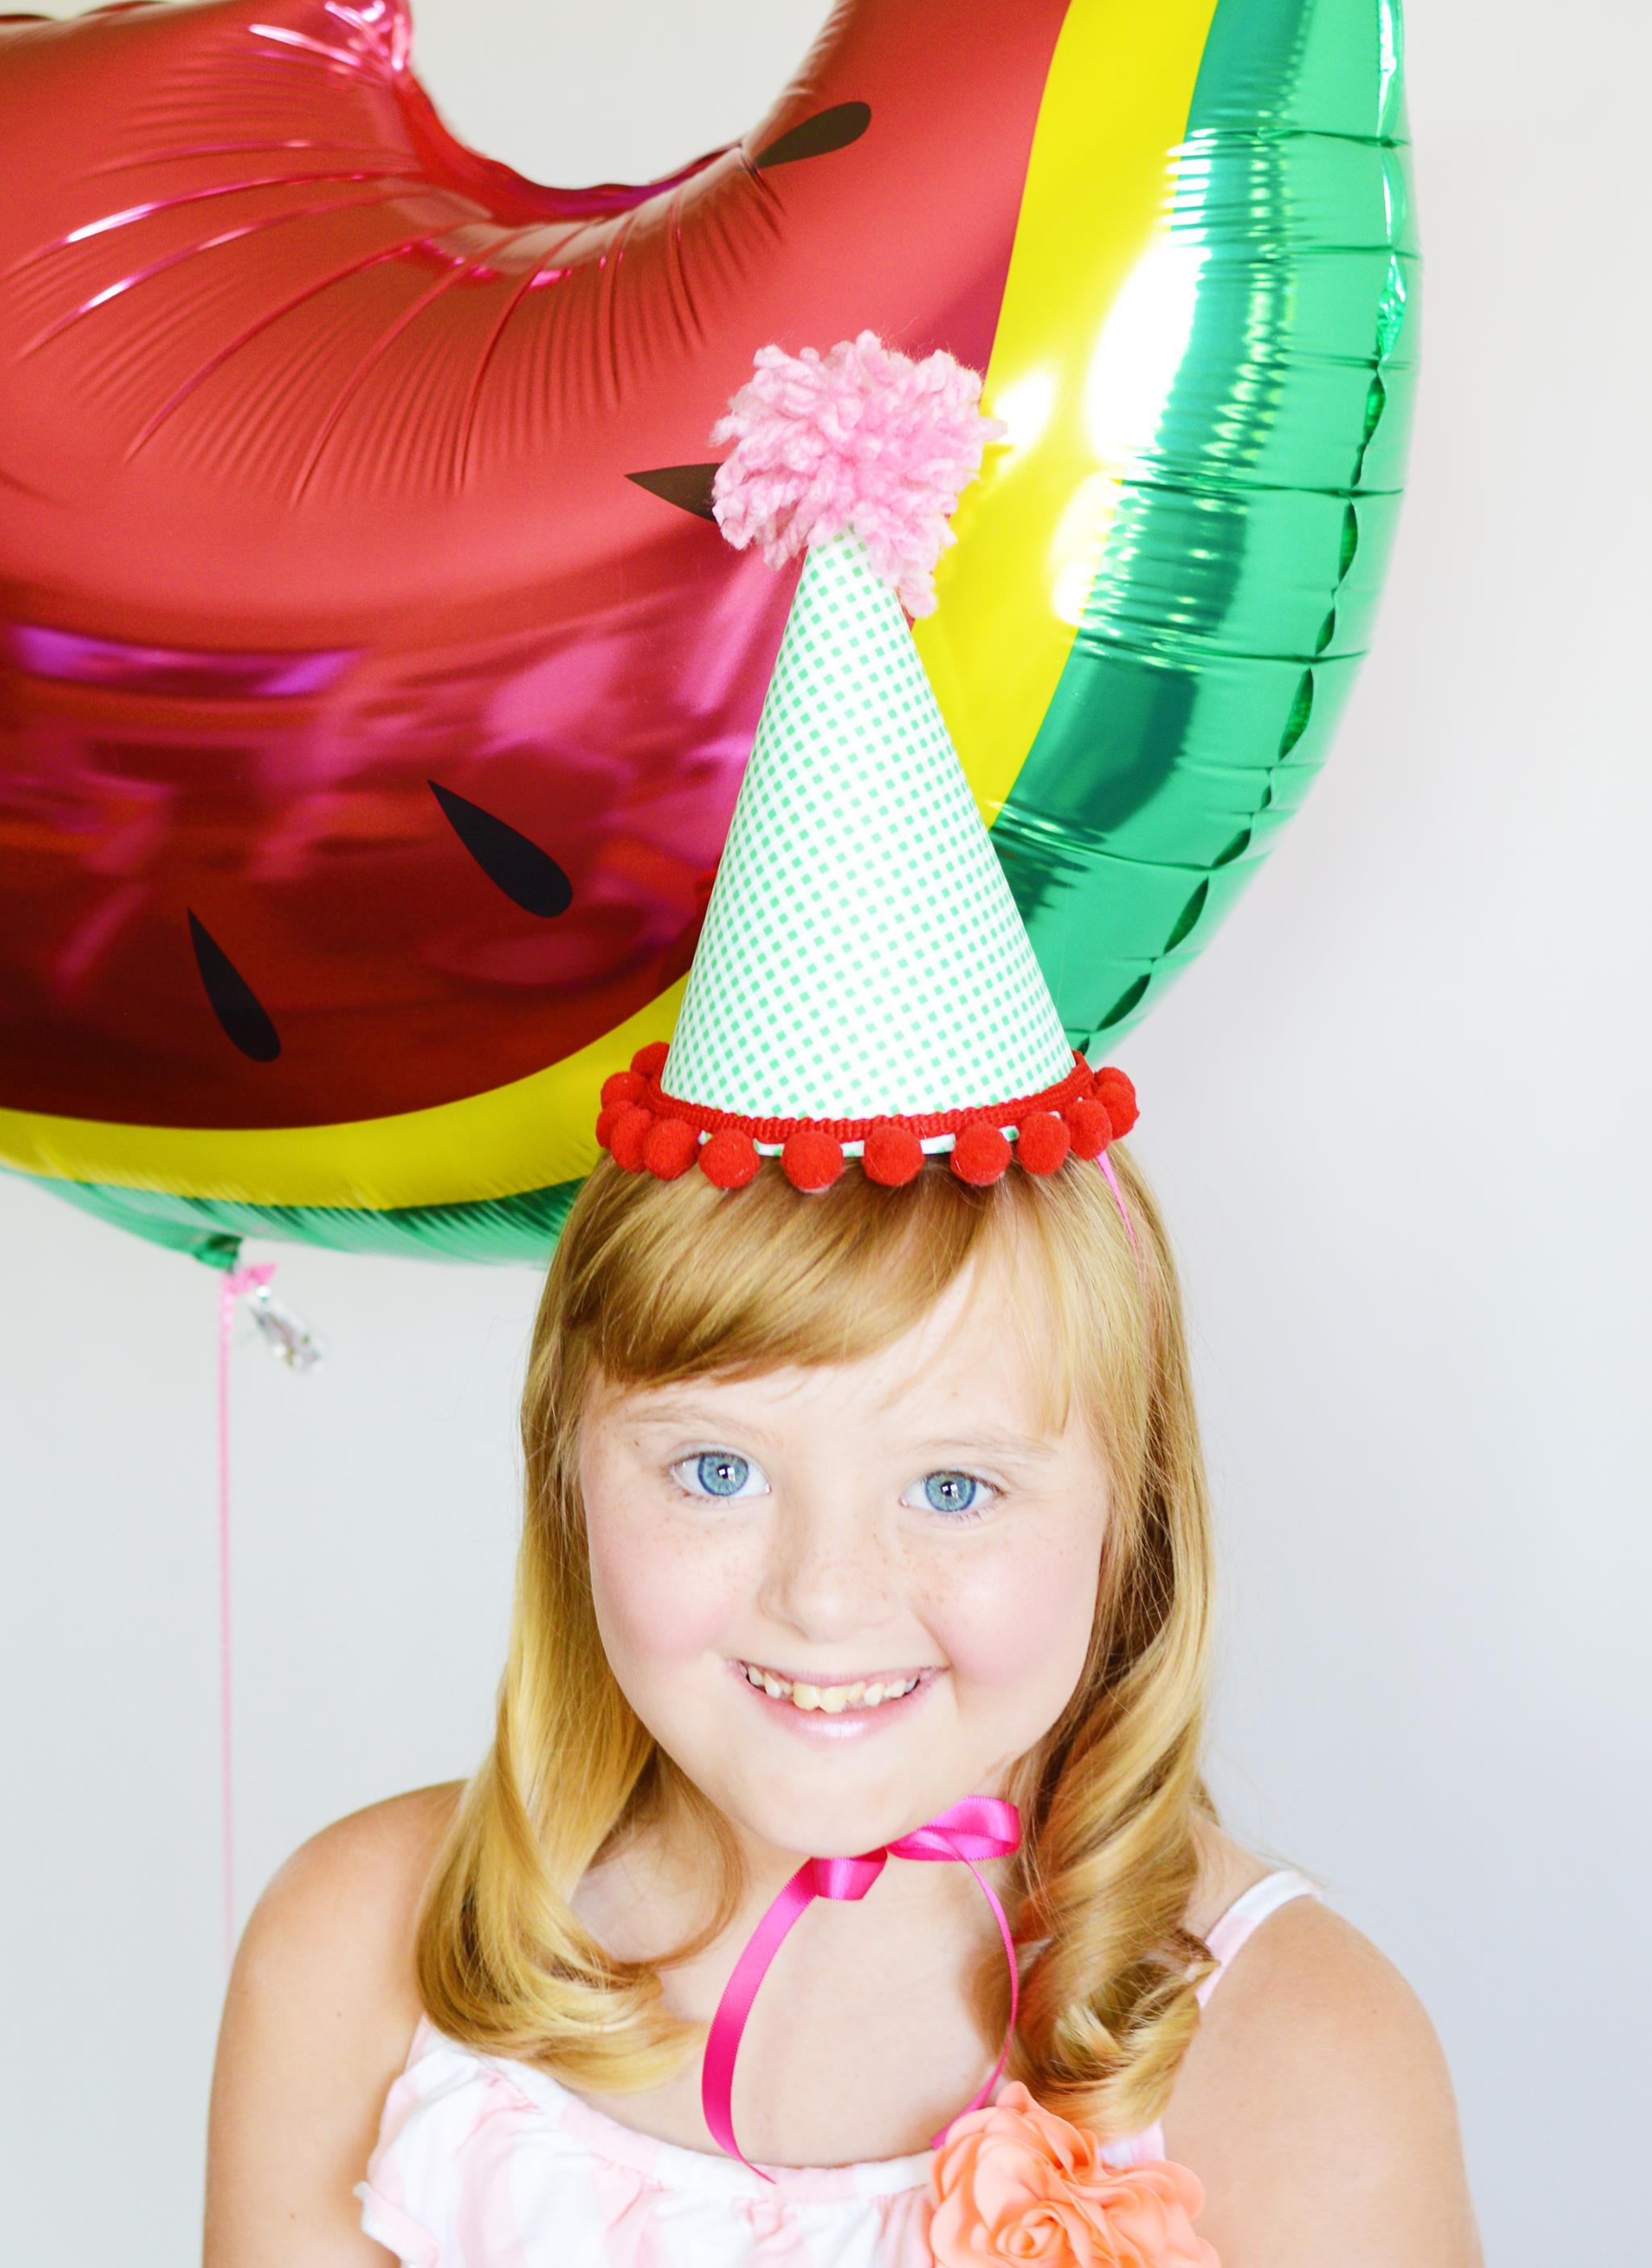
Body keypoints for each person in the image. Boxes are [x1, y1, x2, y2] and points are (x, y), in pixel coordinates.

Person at [204, 339, 1483, 2266]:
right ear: (565, 1469)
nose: (821, 1596)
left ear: (1126, 1509)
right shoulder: (368, 1962)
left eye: (955, 1487)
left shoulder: (1295, 2056)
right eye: (713, 1472)